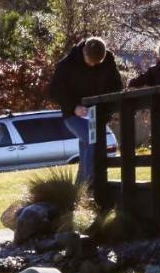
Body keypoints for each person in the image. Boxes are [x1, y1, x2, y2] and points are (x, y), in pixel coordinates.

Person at [49, 36, 124, 185]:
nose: (93, 65)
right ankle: (90, 184)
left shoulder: (108, 59)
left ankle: (79, 188)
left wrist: (107, 106)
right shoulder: (66, 65)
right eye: (91, 61)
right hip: (73, 115)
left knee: (86, 147)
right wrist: (74, 107)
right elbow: (54, 93)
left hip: (98, 113)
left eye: (97, 63)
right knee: (92, 140)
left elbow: (117, 86)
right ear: (83, 51)